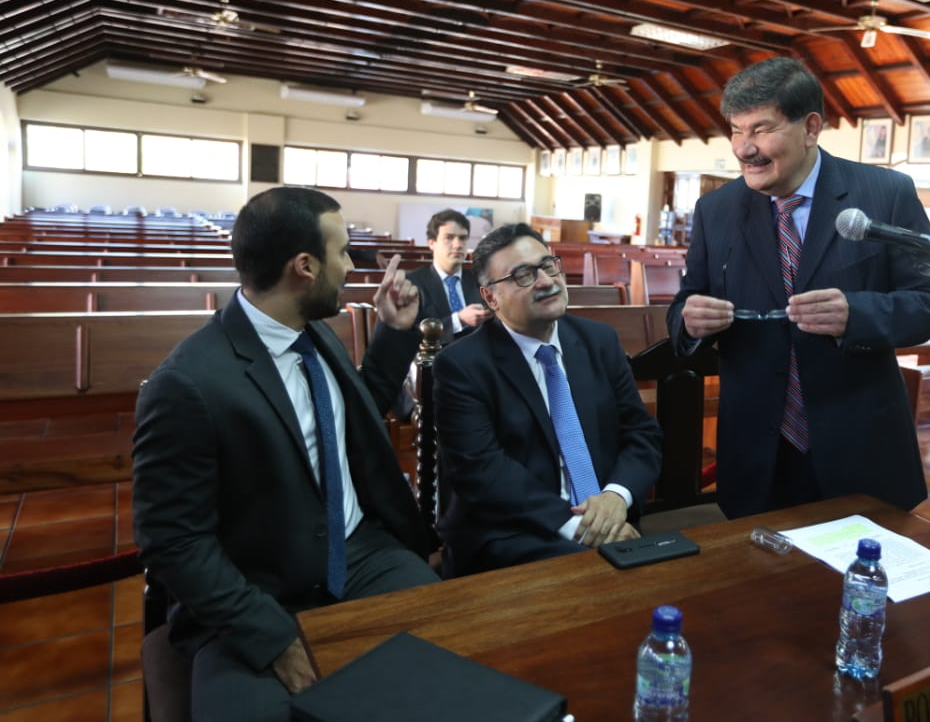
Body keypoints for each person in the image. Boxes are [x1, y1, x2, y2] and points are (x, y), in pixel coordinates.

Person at [132, 187, 438, 721]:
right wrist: (271, 637)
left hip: (361, 556)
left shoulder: (312, 334)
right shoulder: (188, 383)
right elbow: (173, 539)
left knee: (462, 661)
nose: (349, 266)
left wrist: (392, 332)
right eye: (342, 252)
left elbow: (351, 417)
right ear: (304, 266)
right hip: (253, 589)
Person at [667, 57, 930, 519]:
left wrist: (857, 315)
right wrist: (688, 320)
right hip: (757, 450)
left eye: (761, 130)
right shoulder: (715, 210)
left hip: (859, 443)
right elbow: (686, 302)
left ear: (810, 128)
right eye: (736, 131)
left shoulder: (885, 194)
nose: (745, 149)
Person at [432, 223, 663, 577]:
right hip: (512, 535)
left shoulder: (598, 341)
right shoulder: (462, 365)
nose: (545, 281)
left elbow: (641, 435)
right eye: (523, 275)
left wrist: (617, 497)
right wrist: (581, 528)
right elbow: (483, 472)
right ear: (490, 297)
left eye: (548, 265)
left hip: (611, 519)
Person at [409, 208, 490, 345]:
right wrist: (458, 320)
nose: (458, 245)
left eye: (463, 238)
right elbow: (411, 334)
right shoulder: (413, 282)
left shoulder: (480, 279)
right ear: (431, 243)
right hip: (435, 358)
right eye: (449, 238)